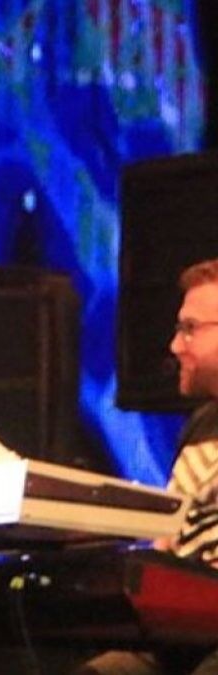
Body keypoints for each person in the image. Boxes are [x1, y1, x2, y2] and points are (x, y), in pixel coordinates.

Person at [76, 258, 218, 675]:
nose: (175, 346)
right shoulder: (203, 425)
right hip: (184, 632)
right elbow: (167, 546)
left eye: (190, 328)